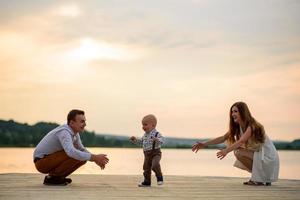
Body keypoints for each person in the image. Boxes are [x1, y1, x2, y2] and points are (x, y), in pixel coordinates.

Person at [192, 102, 279, 186]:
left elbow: (241, 141)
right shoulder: (238, 127)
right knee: (238, 152)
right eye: (232, 112)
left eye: (236, 111)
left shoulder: (252, 126)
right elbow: (223, 138)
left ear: (243, 112)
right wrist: (204, 144)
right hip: (260, 155)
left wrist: (226, 151)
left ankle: (260, 179)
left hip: (268, 157)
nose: (233, 114)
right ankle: (261, 178)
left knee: (239, 152)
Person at [33, 109, 109, 185]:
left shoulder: (75, 133)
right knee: (74, 152)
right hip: (41, 162)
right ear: (72, 123)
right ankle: (53, 178)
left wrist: (96, 159)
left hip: (49, 160)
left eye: (85, 121)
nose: (85, 124)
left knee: (82, 158)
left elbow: (82, 149)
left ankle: (56, 178)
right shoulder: (64, 132)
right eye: (82, 121)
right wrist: (94, 157)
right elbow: (71, 152)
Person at [130, 114, 164, 187]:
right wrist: (135, 140)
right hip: (147, 154)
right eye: (142, 125)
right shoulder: (145, 135)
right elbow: (141, 142)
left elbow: (162, 140)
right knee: (146, 168)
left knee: (155, 165)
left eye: (145, 124)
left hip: (155, 153)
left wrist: (157, 139)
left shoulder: (157, 134)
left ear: (153, 125)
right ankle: (147, 181)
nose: (143, 127)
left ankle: (159, 177)